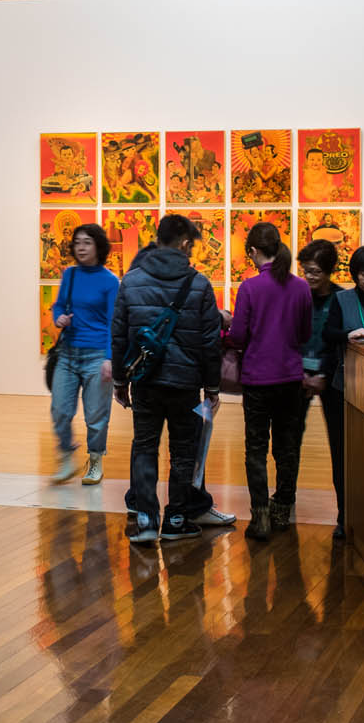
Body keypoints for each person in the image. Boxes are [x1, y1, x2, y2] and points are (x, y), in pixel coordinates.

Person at [111, 214, 235, 544]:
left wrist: (121, 382)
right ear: (182, 243)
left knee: (145, 448)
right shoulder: (199, 284)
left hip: (146, 382)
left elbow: (120, 335)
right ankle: (176, 520)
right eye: (191, 244)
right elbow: (209, 343)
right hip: (185, 384)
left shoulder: (132, 280)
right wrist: (212, 388)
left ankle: (147, 520)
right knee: (183, 451)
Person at [226, 222, 313, 541]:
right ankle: (282, 510)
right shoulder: (301, 287)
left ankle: (260, 515)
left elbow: (237, 337)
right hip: (291, 378)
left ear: (252, 251)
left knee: (256, 448)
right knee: (287, 447)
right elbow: (305, 334)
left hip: (257, 380)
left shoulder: (249, 288)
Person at [49, 223, 120, 485]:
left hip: (97, 355)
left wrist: (110, 359)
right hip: (68, 353)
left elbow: (115, 322)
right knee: (60, 410)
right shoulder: (70, 275)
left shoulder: (111, 281)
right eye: (77, 242)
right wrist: (59, 319)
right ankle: (66, 456)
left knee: (96, 416)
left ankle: (95, 460)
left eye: (87, 242)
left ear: (98, 247)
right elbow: (57, 306)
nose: (81, 247)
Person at [296, 239, 348, 540]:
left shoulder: (342, 300)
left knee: (340, 448)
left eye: (315, 271)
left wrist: (324, 375)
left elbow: (340, 343)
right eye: (306, 271)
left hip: (333, 379)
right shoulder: (297, 295)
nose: (310, 277)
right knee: (289, 444)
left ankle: (345, 515)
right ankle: (284, 506)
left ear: (329, 271)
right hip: (297, 377)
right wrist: (299, 373)